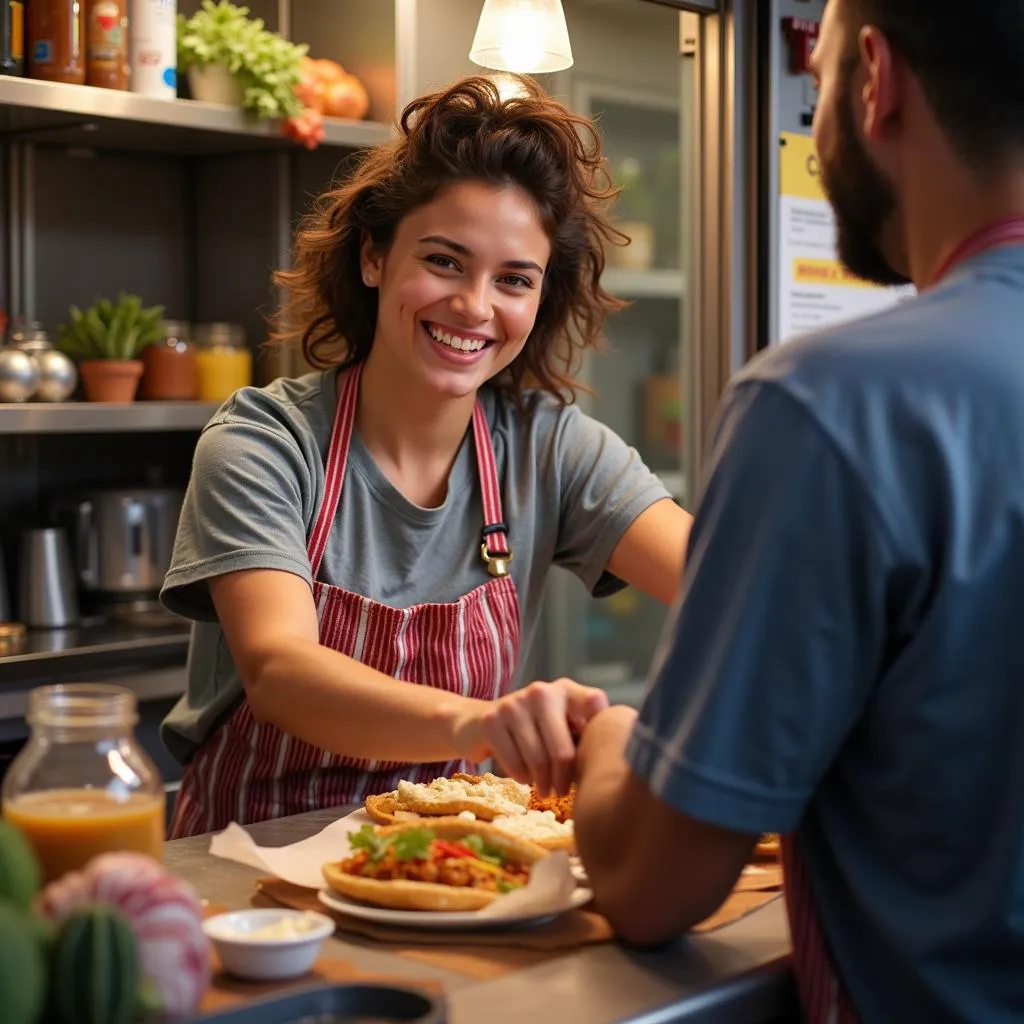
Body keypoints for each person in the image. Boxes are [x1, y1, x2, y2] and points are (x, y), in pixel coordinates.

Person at [573, 0, 1024, 1020]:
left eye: (812, 84)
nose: (814, 136)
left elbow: (654, 884)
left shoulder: (832, 403)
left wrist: (612, 740)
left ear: (875, 80)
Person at [159, 75, 692, 840]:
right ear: (375, 258)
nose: (476, 306)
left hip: (454, 859)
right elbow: (281, 672)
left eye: (514, 279)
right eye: (445, 261)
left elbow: (725, 583)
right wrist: (483, 726)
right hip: (253, 878)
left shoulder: (549, 447)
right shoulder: (263, 443)